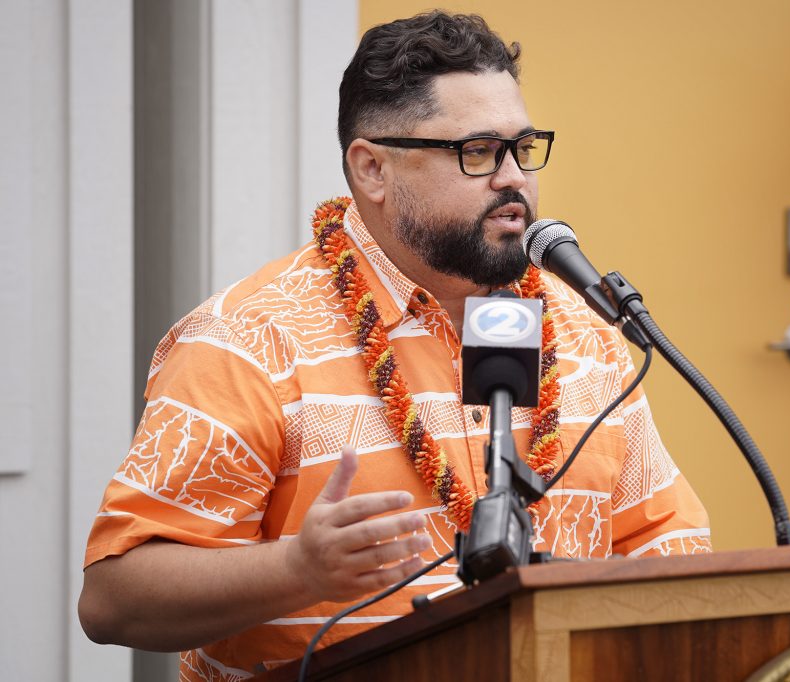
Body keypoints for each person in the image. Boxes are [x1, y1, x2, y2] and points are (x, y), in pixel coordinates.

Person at [79, 11, 710, 680]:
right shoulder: (248, 341)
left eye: (523, 149)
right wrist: (295, 571)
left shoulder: (587, 337)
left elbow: (664, 547)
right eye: (476, 152)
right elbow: (114, 600)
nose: (512, 179)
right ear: (372, 168)